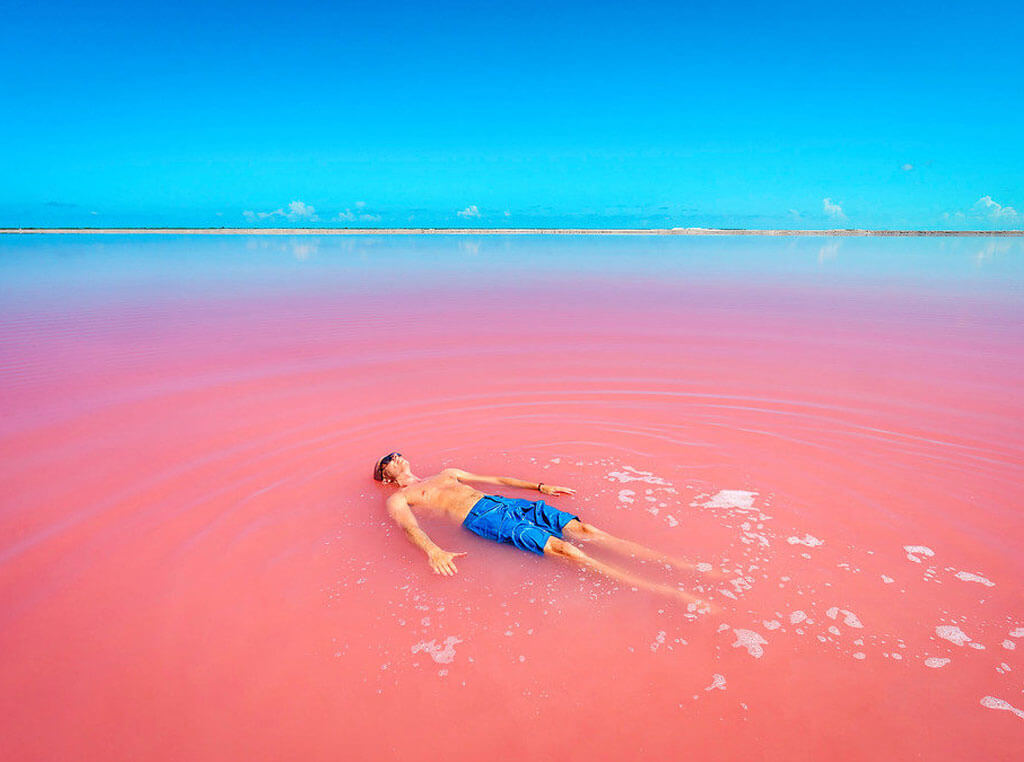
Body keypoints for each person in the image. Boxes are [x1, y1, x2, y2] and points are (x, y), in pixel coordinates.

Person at [374, 451, 715, 610]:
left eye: (399, 453)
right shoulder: (400, 498)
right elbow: (409, 528)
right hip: (483, 518)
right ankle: (662, 590)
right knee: (566, 550)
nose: (398, 456)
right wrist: (432, 549)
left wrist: (540, 486)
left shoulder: (447, 472)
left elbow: (495, 480)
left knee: (587, 530)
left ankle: (682, 567)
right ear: (387, 476)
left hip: (505, 502)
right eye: (390, 458)